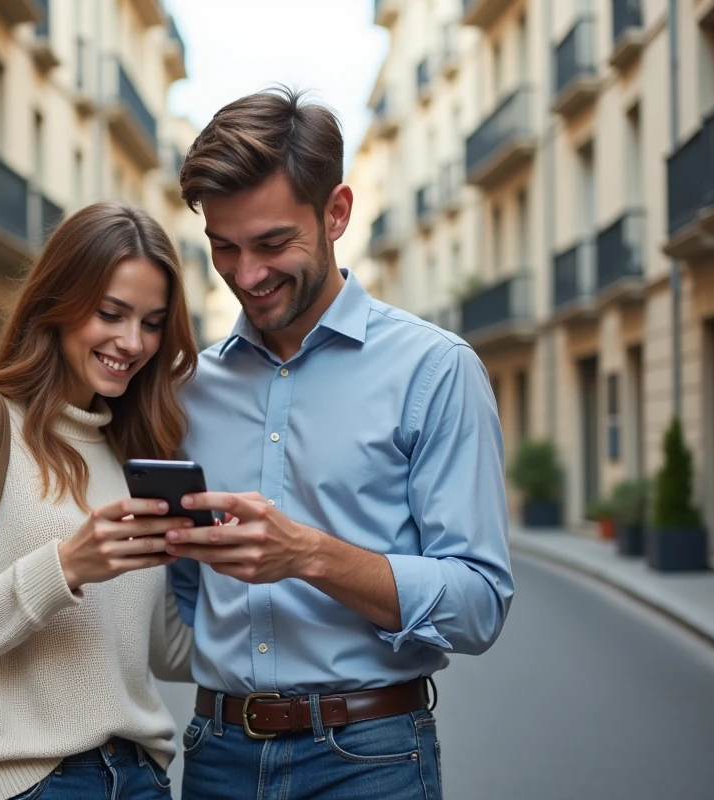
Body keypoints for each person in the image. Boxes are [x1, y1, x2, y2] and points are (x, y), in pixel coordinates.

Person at [165, 87, 516, 800]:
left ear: (337, 213)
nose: (246, 275)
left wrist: (309, 554)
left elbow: (479, 603)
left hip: (370, 762)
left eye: (271, 244)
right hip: (216, 753)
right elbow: (179, 591)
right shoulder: (189, 388)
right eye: (223, 248)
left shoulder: (434, 370)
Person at [0, 202, 200, 800]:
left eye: (152, 323)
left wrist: (248, 563)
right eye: (111, 313)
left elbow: (164, 651)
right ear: (58, 302)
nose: (132, 342)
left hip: (142, 776)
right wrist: (65, 567)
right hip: (27, 782)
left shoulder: (135, 450)